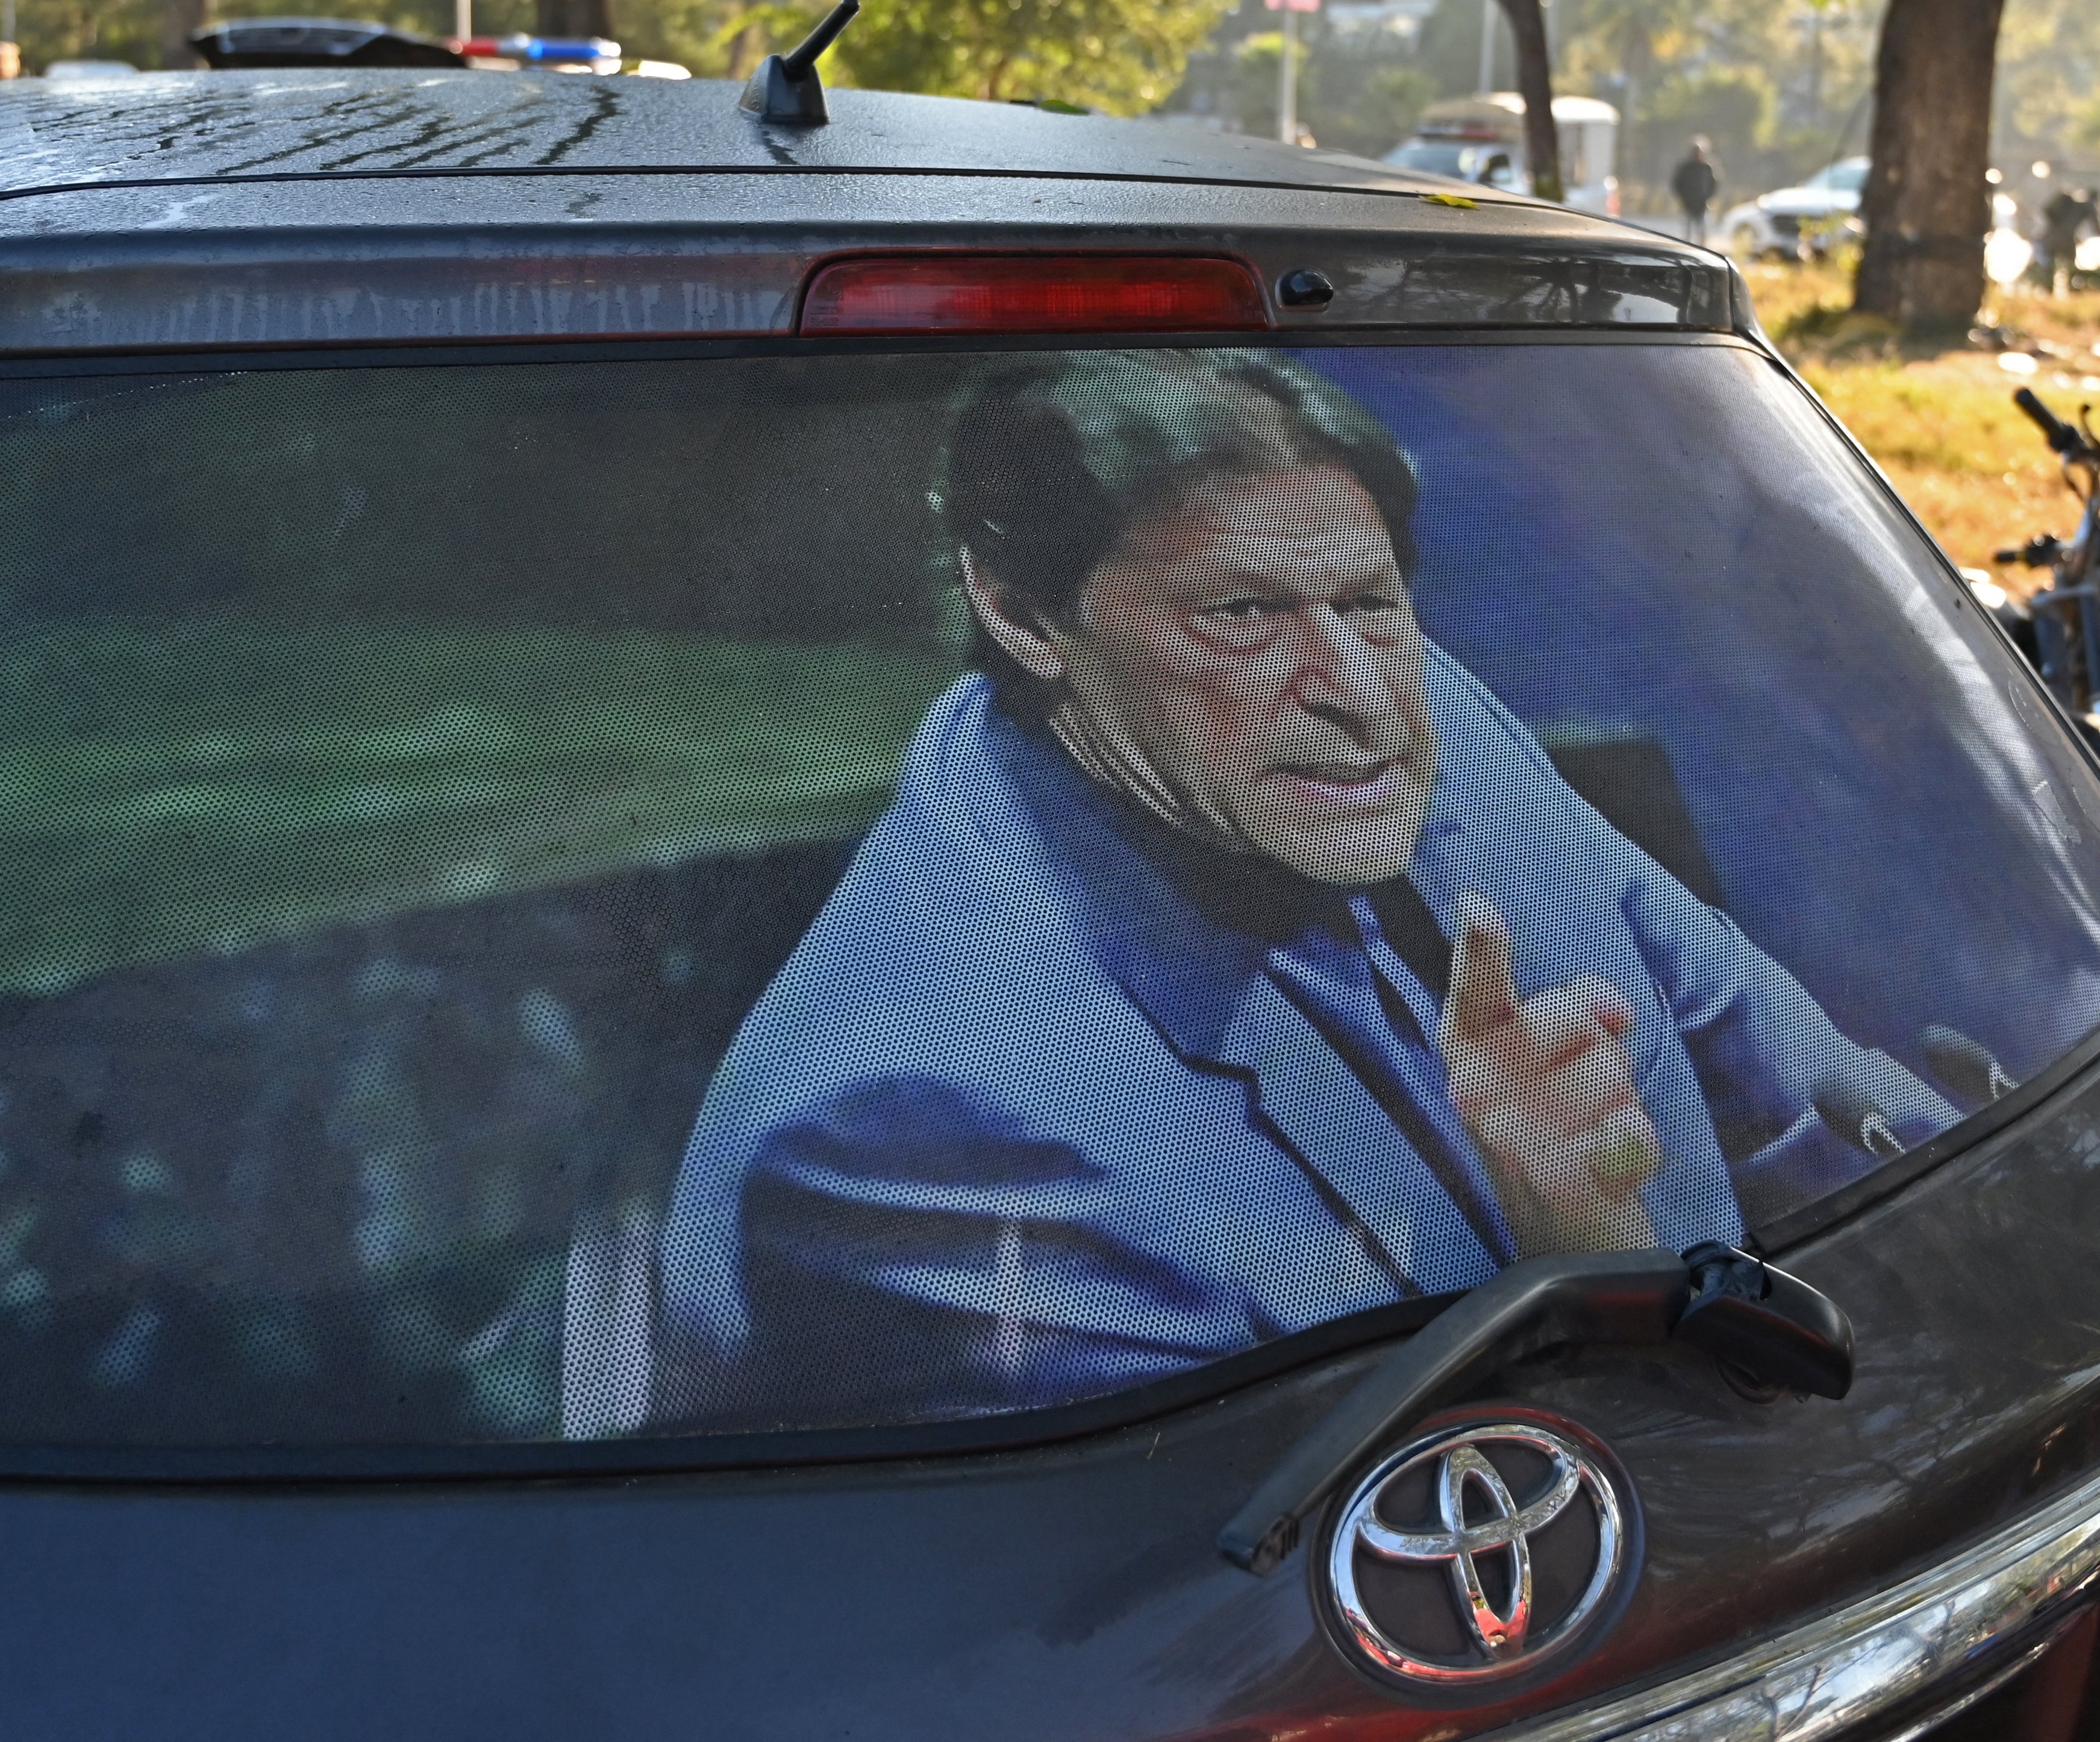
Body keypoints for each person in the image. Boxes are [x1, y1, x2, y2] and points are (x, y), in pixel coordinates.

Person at [656, 351, 1945, 1426]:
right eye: (1241, 612)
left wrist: (1998, 1237)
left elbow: (1756, 1034)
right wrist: (1587, 1267)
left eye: (1366, 598)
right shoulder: (906, 1127)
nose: (1361, 692)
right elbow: (1298, 1602)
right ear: (1024, 610)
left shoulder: (1414, 707)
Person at [1670, 137, 1721, 243]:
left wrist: (1709, 197)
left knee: (1703, 232)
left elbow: (1715, 184)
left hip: (1703, 205)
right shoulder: (1685, 167)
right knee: (1687, 233)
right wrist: (1682, 198)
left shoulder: (1707, 167)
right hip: (1688, 204)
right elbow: (1677, 184)